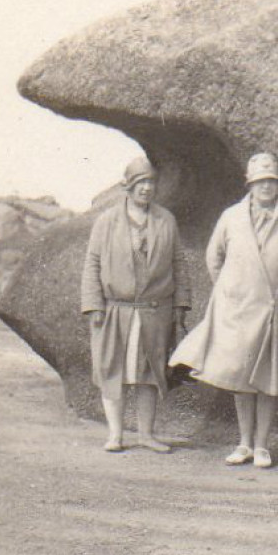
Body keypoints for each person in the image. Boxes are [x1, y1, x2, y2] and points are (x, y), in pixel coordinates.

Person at [169, 152, 278, 468]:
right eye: (260, 182)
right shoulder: (231, 217)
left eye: (271, 182)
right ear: (250, 184)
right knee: (240, 377)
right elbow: (214, 257)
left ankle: (262, 447)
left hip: (276, 310)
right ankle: (244, 443)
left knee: (269, 379)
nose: (265, 187)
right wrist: (229, 291)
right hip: (239, 311)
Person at [80, 156, 190, 453]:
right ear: (127, 188)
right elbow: (92, 263)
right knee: (112, 369)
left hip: (155, 311)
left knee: (149, 374)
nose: (146, 189)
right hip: (115, 309)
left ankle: (145, 434)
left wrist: (181, 303)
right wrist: (93, 305)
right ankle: (115, 434)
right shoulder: (106, 221)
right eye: (140, 183)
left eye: (150, 183)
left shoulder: (166, 220)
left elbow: (179, 262)